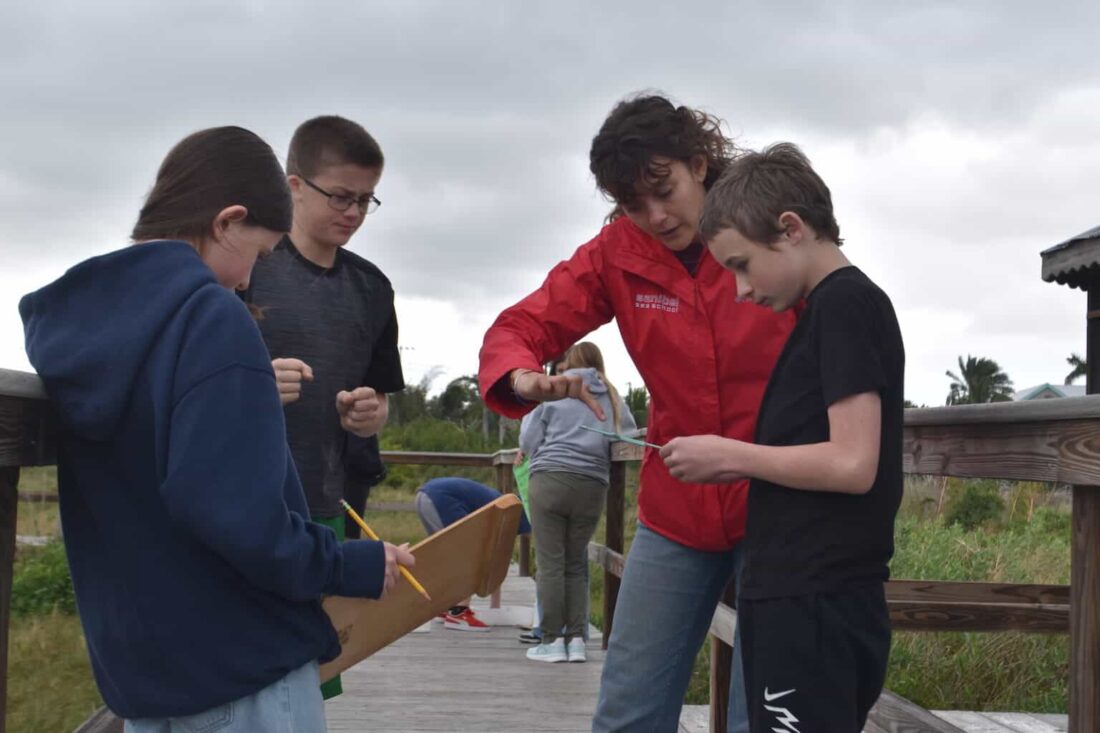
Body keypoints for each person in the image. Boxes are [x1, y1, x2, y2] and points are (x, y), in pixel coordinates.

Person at [19, 127, 414, 732]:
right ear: (228, 221)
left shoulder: (95, 326)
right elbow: (238, 517)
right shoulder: (211, 318)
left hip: (146, 676)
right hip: (241, 669)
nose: (248, 280)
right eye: (259, 254)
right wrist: (349, 564)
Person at [478, 94, 796, 731]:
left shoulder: (768, 224)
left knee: (766, 715)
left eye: (665, 190)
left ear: (699, 164)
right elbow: (519, 325)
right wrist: (524, 377)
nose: (655, 216)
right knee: (628, 708)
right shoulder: (615, 253)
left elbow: (838, 306)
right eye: (631, 203)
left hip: (781, 501)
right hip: (678, 506)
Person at [661, 142, 904, 731]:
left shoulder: (846, 305)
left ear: (790, 229)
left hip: (815, 603)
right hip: (801, 600)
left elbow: (853, 463)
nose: (741, 290)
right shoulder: (828, 310)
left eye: (742, 265)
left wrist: (730, 456)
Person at [241, 115, 405, 699]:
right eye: (341, 196)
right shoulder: (247, 268)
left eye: (366, 200)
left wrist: (372, 413)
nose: (354, 213)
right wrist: (253, 382)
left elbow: (379, 394)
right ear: (294, 186)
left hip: (329, 510)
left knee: (311, 683)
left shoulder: (372, 287)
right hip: (248, 509)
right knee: (248, 679)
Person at [520, 342, 634, 664]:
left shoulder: (557, 389)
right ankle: (577, 641)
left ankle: (552, 640)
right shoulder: (612, 395)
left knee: (551, 564)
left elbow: (528, 439)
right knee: (575, 563)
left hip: (550, 479)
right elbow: (625, 433)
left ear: (570, 362)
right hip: (592, 484)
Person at [414, 477, 532, 630]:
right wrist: (495, 608)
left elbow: (497, 559)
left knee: (449, 556)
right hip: (443, 498)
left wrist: (495, 609)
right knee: (470, 555)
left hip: (424, 495)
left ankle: (445, 606)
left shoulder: (507, 505)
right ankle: (459, 612)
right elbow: (498, 560)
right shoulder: (516, 515)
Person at [344, 434, 387, 539]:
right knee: (351, 529)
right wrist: (378, 468)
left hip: (346, 478)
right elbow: (356, 452)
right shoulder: (357, 428)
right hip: (354, 481)